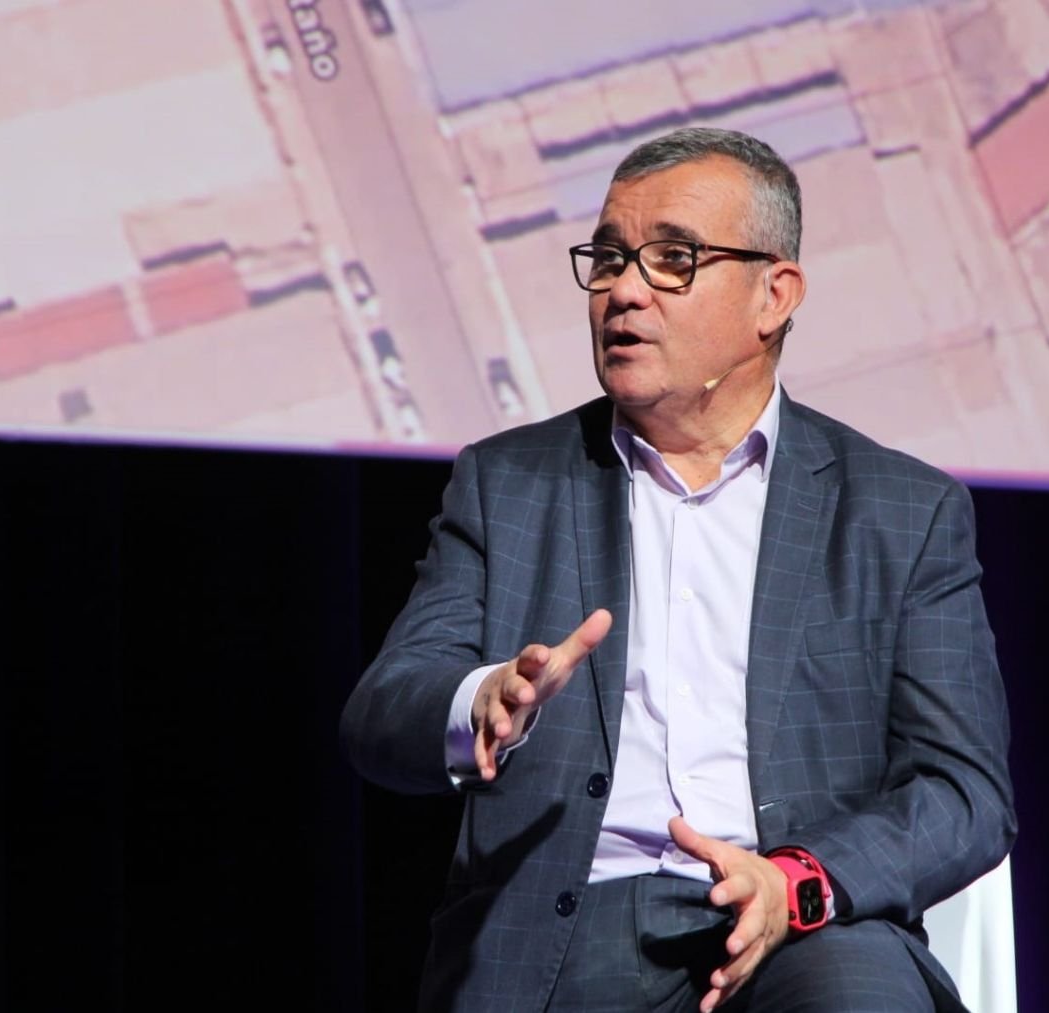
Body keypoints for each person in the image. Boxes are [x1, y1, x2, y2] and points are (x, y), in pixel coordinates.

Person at [340, 127, 1014, 1012]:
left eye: (671, 259)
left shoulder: (900, 510)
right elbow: (382, 714)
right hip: (562, 931)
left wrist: (798, 883)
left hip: (801, 931)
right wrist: (482, 701)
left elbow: (963, 791)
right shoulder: (508, 483)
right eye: (610, 258)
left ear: (774, 294)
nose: (623, 289)